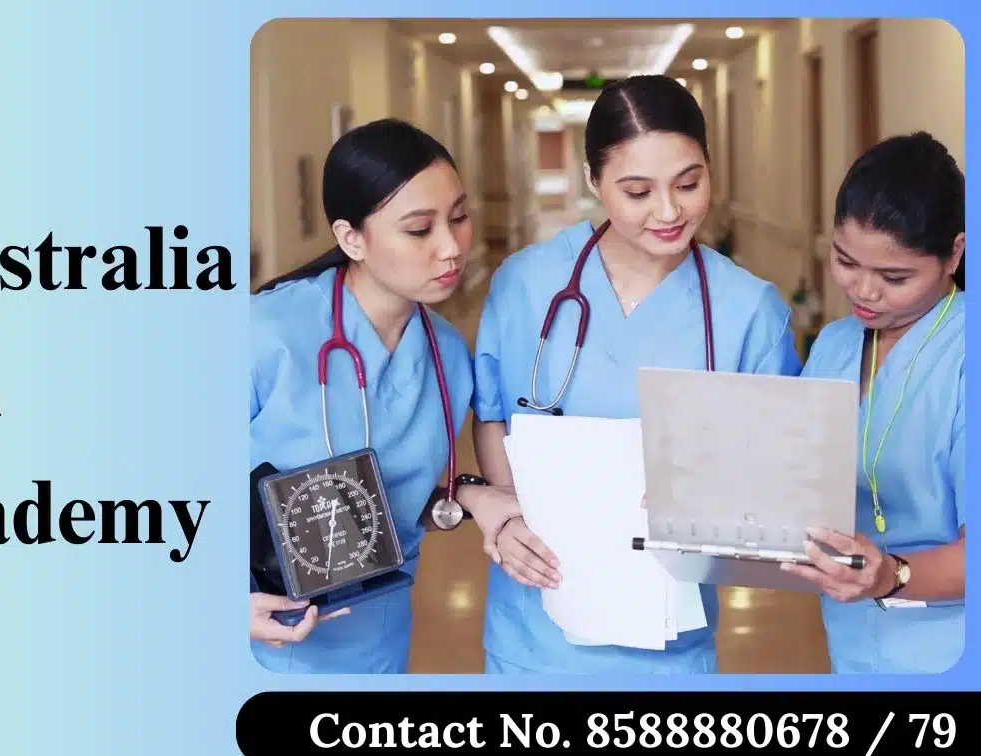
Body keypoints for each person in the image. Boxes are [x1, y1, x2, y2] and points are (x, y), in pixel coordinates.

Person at [468, 74, 804, 675]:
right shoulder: (525, 284)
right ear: (593, 182)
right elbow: (494, 415)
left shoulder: (749, 310)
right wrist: (511, 514)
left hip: (672, 636)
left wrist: (719, 502)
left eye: (688, 183)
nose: (669, 212)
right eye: (637, 191)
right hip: (533, 629)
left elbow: (777, 472)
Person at [249, 117, 521, 674]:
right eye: (420, 230)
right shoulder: (266, 334)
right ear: (351, 237)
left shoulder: (447, 358)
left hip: (379, 637)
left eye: (460, 217)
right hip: (260, 641)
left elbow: (386, 495)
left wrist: (473, 497)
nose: (452, 248)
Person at [783, 132, 965, 674]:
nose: (864, 292)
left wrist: (893, 575)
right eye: (845, 262)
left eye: (894, 277)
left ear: (954, 253)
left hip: (949, 652)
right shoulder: (837, 345)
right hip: (854, 643)